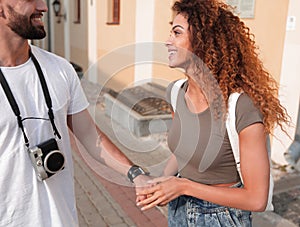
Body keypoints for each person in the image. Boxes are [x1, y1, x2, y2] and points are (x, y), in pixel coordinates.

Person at [136, 0, 290, 226]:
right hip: (179, 209)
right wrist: (162, 183)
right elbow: (183, 152)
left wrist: (183, 185)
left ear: (203, 41)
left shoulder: (241, 107)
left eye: (177, 33)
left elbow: (256, 199)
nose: (168, 41)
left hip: (221, 217)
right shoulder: (176, 93)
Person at [0, 0, 148, 226]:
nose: (44, 7)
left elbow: (90, 135)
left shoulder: (61, 69)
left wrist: (135, 174)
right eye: (31, 0)